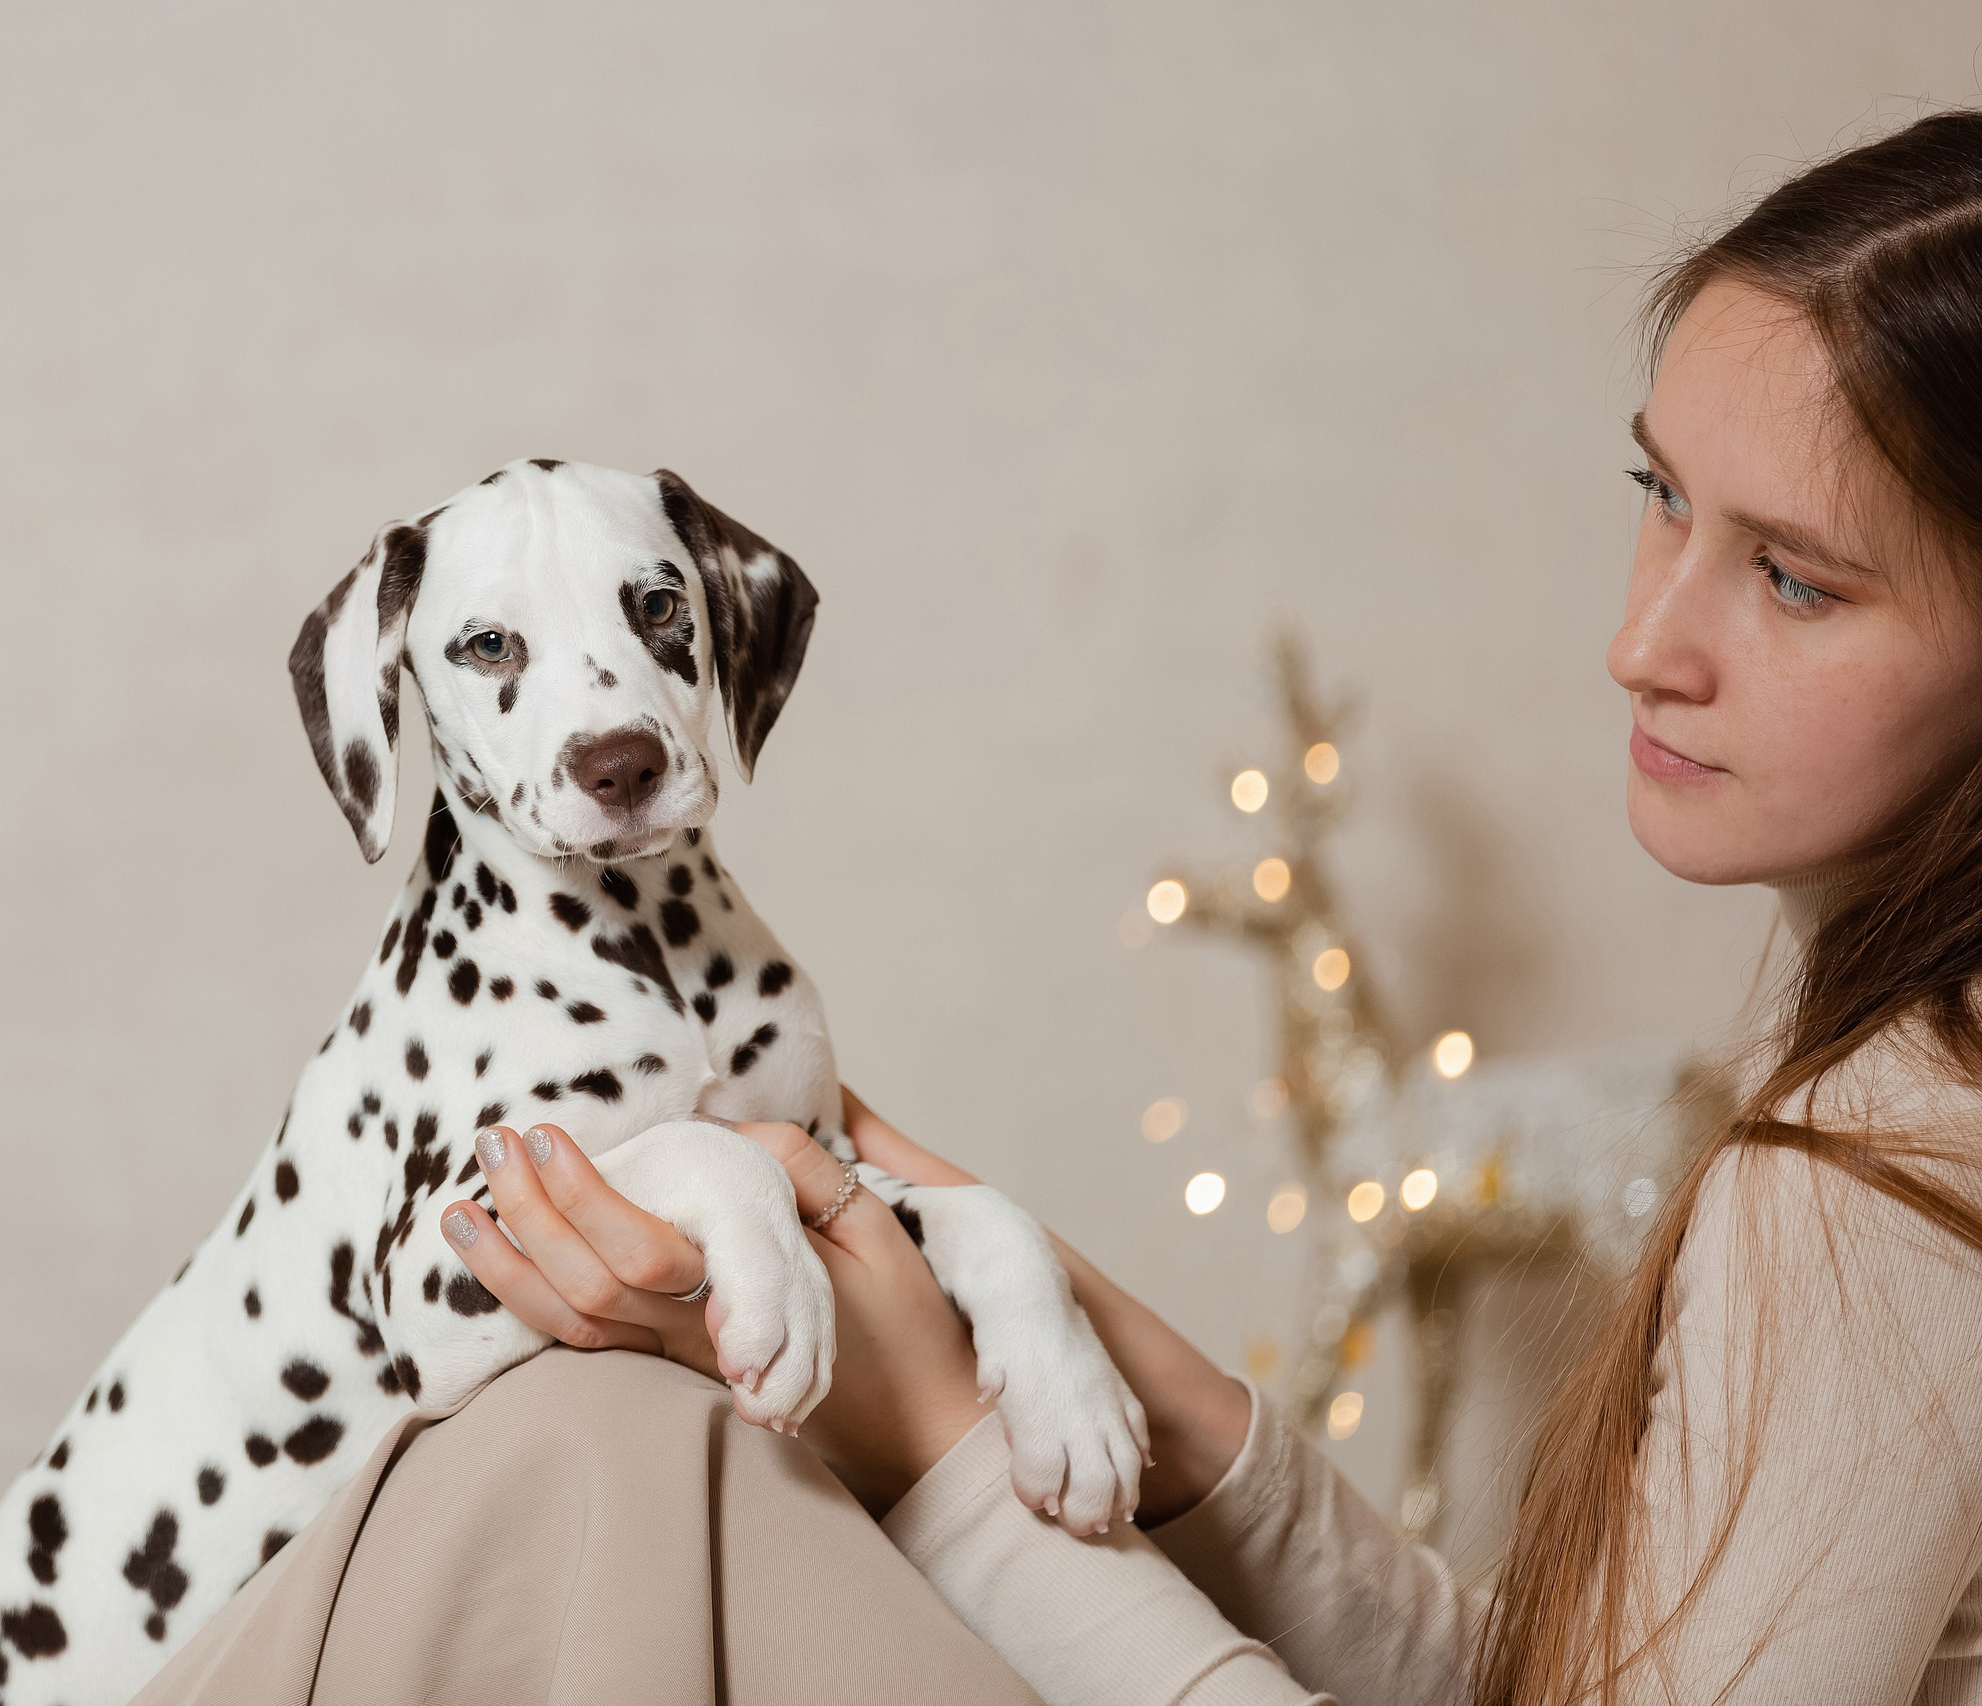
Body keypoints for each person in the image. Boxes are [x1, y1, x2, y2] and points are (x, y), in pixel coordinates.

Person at [135, 111, 1982, 1705]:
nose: (1644, 641)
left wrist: (934, 1443)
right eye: (1657, 496)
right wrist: (1172, 1418)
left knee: (585, 1454)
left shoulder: (1879, 1193)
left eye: (1797, 582)